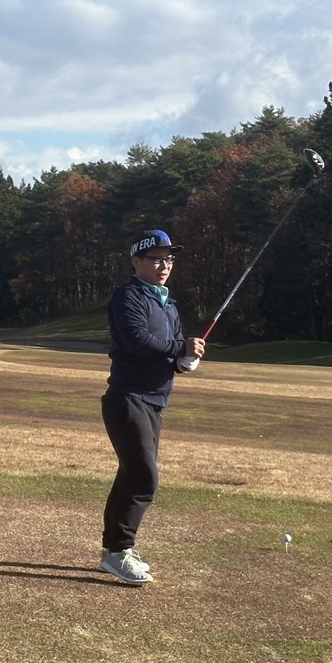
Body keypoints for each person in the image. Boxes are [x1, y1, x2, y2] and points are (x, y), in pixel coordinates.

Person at [98, 229, 205, 585]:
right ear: (137, 262)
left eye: (169, 259)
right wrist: (179, 349)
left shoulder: (168, 305)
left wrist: (184, 360)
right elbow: (138, 340)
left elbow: (170, 348)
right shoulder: (128, 297)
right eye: (157, 258)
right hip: (128, 397)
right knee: (144, 475)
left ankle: (116, 549)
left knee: (132, 473)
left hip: (155, 400)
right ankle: (118, 552)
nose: (164, 265)